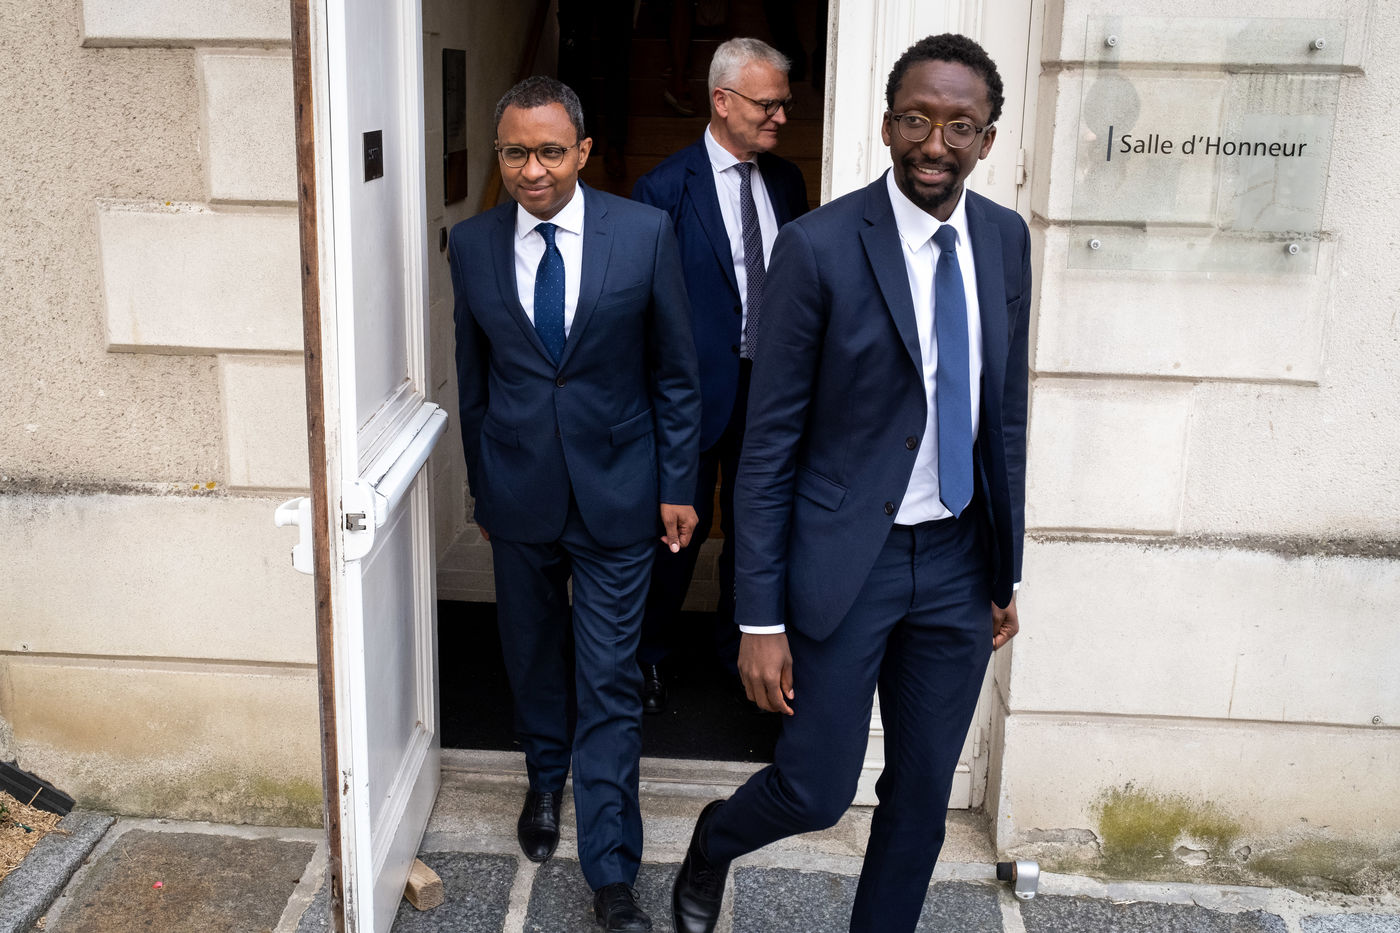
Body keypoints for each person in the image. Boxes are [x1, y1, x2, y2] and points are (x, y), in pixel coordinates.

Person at [670, 34, 1030, 933]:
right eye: (916, 120)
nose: (935, 144)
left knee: (921, 797)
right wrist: (758, 618)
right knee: (816, 787)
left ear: (987, 139)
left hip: (957, 560)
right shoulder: (817, 247)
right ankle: (715, 837)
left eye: (959, 126)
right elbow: (767, 447)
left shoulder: (1004, 240)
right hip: (846, 562)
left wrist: (1003, 570)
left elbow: (1004, 418)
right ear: (885, 125)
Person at [449, 76, 701, 933]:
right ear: (501, 154)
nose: (533, 170)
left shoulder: (644, 233)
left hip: (619, 493)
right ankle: (542, 779)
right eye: (516, 152)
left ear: (583, 152)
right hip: (518, 494)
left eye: (551, 152)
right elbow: (474, 383)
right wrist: (482, 486)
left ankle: (612, 869)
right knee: (530, 657)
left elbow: (677, 374)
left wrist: (677, 485)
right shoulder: (473, 244)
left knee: (608, 678)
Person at [631, 37, 808, 712]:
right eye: (768, 104)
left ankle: (739, 651)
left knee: (756, 526)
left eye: (784, 104)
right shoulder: (664, 188)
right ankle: (648, 655)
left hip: (772, 390)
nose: (781, 117)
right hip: (692, 396)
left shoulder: (786, 181)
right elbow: (645, 311)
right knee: (675, 534)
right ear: (723, 101)